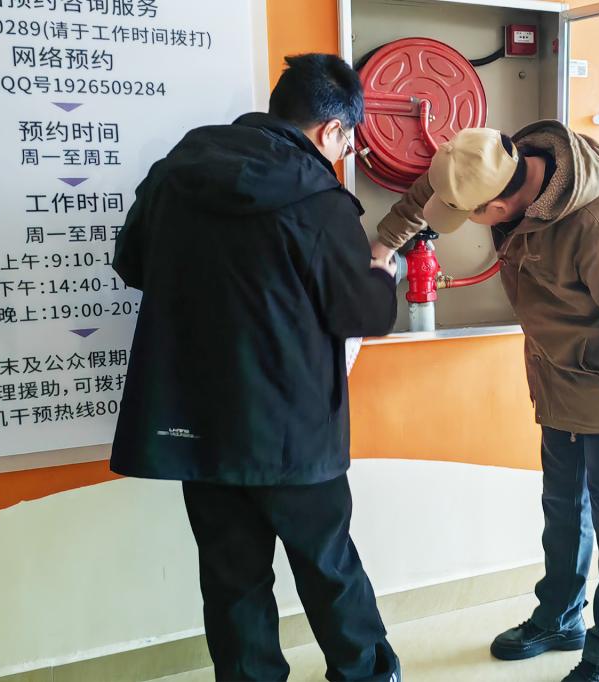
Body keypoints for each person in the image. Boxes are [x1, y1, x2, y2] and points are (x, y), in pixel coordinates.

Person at [110, 53, 402, 682]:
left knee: (231, 579)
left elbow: (132, 264)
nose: (343, 153)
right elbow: (361, 312)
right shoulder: (320, 199)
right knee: (328, 569)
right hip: (292, 431)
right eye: (346, 141)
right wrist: (382, 272)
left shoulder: (177, 172)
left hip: (197, 423)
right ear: (331, 130)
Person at [373, 122, 599, 682]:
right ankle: (560, 618)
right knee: (562, 514)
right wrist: (384, 243)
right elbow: (432, 190)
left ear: (497, 207)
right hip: (557, 390)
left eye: (468, 216)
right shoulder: (490, 162)